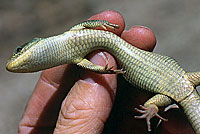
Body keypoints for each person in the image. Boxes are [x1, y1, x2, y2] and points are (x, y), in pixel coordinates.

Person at [18, 10, 193, 134]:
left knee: (150, 105)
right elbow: (88, 64)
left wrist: (99, 24)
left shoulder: (69, 35)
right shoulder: (74, 57)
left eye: (19, 50)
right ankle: (151, 109)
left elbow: (85, 24)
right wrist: (102, 69)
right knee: (149, 106)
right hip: (180, 85)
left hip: (183, 83)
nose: (19, 55)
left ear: (35, 42)